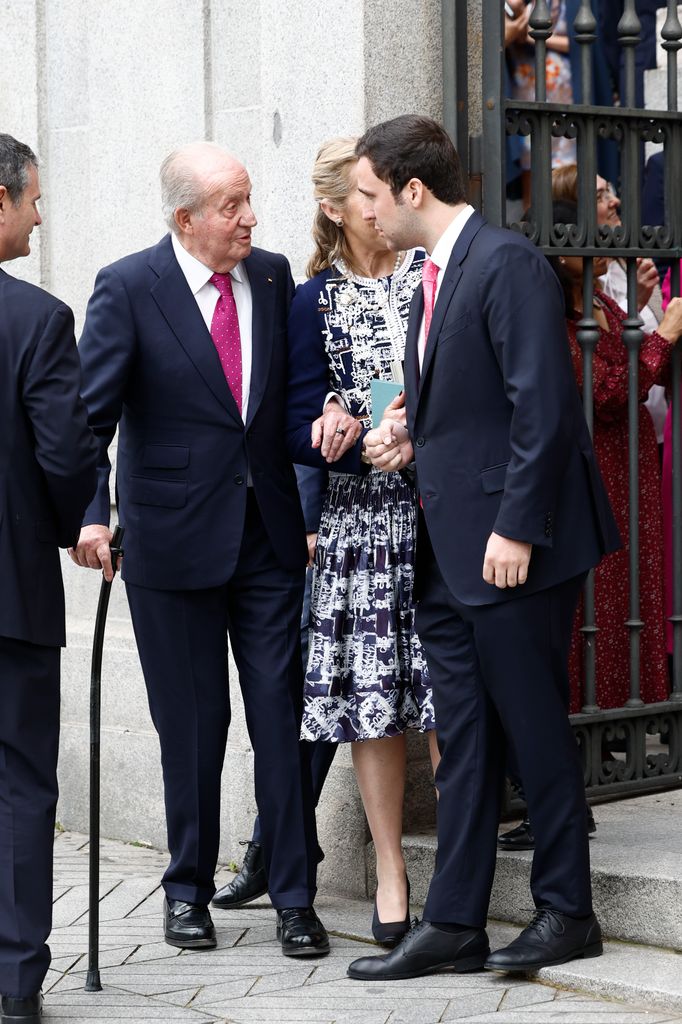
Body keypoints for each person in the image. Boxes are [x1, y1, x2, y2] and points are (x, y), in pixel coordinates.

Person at [348, 114, 620, 981]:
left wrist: (513, 528)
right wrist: (407, 434)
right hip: (450, 549)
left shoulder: (505, 264)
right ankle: (455, 920)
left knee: (535, 732)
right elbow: (474, 405)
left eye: (368, 194)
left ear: (413, 190)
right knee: (464, 741)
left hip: (513, 547)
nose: (361, 211)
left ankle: (568, 912)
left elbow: (542, 407)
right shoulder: (433, 271)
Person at [69, 142, 328, 958]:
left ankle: (294, 897)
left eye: (250, 201)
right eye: (231, 206)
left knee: (280, 720)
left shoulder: (277, 274)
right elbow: (90, 419)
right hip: (171, 544)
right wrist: (90, 516)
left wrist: (331, 430)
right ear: (184, 219)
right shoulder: (128, 285)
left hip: (269, 540)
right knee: (192, 725)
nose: (250, 217)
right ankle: (186, 890)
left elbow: (291, 402)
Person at [280, 136, 439, 947]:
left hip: (435, 512)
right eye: (363, 195)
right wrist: (328, 427)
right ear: (335, 209)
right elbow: (294, 420)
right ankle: (388, 870)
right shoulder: (310, 303)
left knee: (451, 700)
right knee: (373, 706)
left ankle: (462, 869)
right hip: (357, 522)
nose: (378, 209)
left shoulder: (430, 275)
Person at [0, 134, 97, 1024]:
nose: (39, 214)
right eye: (31, 198)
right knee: (22, 786)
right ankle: (17, 981)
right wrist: (80, 526)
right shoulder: (34, 320)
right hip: (10, 600)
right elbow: (66, 452)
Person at [546, 199, 682, 714]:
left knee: (635, 591)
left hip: (635, 466)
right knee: (600, 597)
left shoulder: (602, 297)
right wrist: (664, 335)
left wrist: (644, 313)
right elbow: (604, 394)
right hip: (598, 470)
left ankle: (633, 711)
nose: (606, 242)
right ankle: (596, 722)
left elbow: (640, 370)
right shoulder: (556, 314)